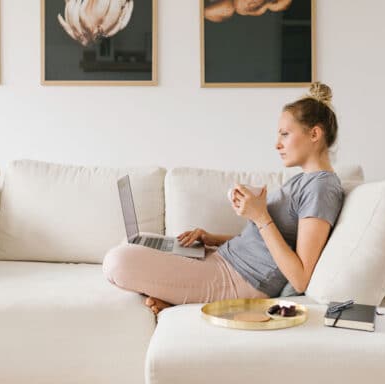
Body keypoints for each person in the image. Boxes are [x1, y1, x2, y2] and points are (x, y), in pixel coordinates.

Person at [103, 82, 345, 315]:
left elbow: (300, 278)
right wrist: (212, 238)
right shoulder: (303, 180)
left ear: (314, 134)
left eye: (284, 134)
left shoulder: (322, 188)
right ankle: (180, 296)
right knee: (132, 242)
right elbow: (267, 242)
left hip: (237, 280)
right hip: (221, 258)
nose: (277, 144)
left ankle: (181, 299)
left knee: (117, 261)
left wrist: (260, 216)